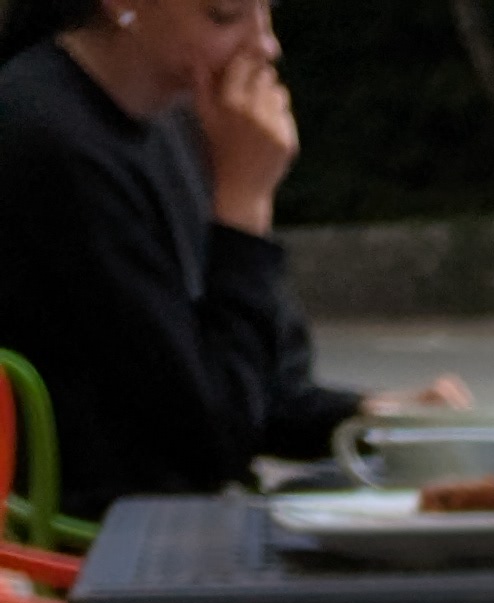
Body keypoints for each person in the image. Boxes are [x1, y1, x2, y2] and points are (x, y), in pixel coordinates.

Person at [0, 0, 367, 518]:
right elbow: (211, 433)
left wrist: (371, 418)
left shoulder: (179, 121)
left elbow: (264, 388)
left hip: (178, 518)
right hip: (108, 545)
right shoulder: (45, 140)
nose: (266, 46)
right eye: (225, 16)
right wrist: (244, 206)